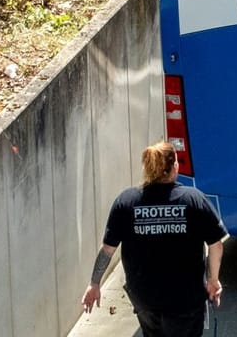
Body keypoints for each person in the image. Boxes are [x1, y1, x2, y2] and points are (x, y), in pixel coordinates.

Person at [82, 142, 228, 337]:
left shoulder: (126, 201)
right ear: (175, 167)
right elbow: (216, 245)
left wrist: (94, 283)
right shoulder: (193, 200)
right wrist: (213, 280)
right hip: (184, 299)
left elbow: (107, 249)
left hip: (144, 298)